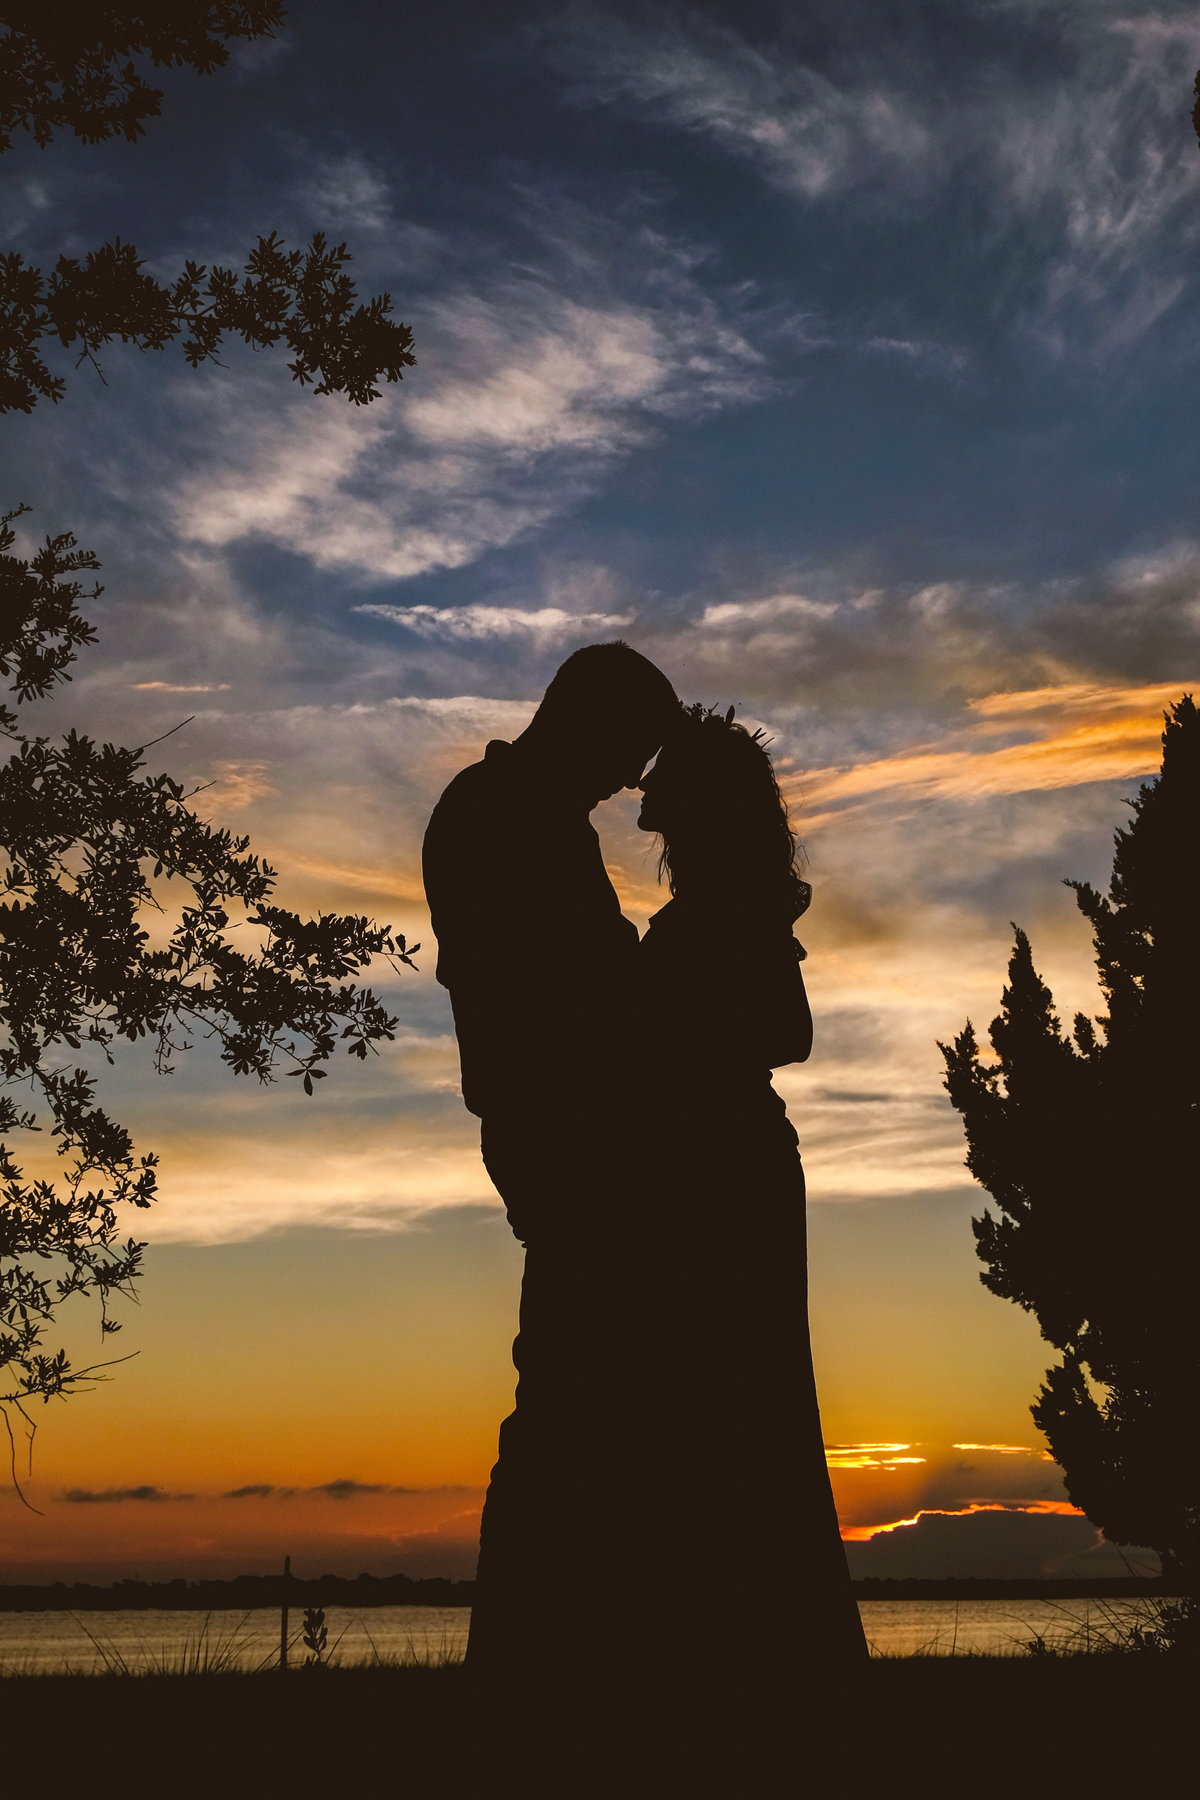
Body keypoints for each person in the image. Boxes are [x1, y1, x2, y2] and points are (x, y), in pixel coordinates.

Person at [421, 640, 680, 1696]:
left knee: (587, 1399)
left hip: (561, 1130)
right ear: (583, 721)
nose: (631, 783)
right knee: (570, 1402)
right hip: (558, 1133)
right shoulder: (502, 818)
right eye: (629, 752)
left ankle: (563, 1662)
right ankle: (530, 1673)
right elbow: (570, 989)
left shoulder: (526, 818)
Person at [630, 703, 868, 1713]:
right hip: (708, 1164)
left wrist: (680, 1030)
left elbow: (788, 1031)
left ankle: (765, 1668)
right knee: (711, 1404)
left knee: (745, 1398)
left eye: (667, 802)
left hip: (730, 1168)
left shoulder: (734, 910)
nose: (653, 823)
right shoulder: (723, 908)